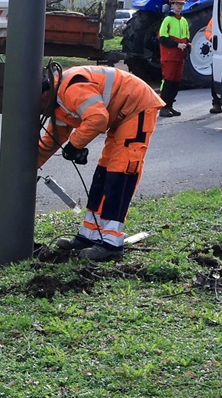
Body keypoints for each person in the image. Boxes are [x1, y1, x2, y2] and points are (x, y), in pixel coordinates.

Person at [36, 63, 163, 260]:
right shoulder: (57, 103)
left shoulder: (70, 89)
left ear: (44, 95)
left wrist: (74, 145)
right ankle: (89, 235)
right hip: (119, 115)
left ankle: (112, 243)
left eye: (38, 109)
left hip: (137, 107)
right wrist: (30, 165)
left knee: (121, 172)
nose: (41, 114)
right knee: (103, 173)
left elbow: (97, 118)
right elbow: (53, 139)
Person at [156, 0, 190, 116]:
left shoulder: (184, 21)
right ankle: (163, 107)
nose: (180, 6)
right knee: (168, 81)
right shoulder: (168, 20)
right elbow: (162, 37)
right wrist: (177, 45)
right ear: (173, 4)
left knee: (175, 82)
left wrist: (188, 45)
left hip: (179, 57)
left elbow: (187, 37)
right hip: (169, 56)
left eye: (182, 4)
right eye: (178, 4)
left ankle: (170, 105)